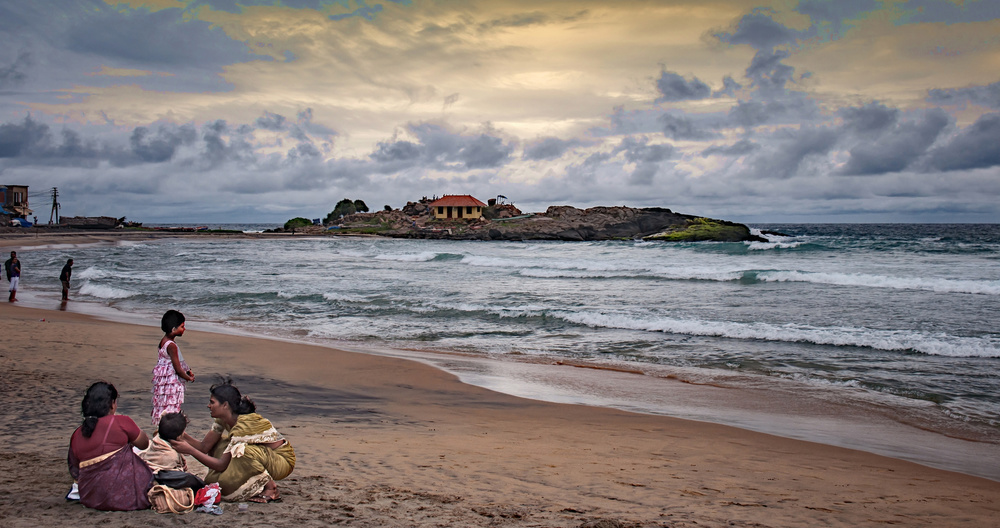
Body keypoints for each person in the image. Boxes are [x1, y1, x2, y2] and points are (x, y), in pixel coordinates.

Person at [171, 380, 295, 503]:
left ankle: (271, 488)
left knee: (243, 450)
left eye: (212, 402)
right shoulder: (223, 419)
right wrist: (181, 434)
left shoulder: (244, 425)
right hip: (263, 457)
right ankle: (256, 483)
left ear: (225, 405)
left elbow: (221, 464)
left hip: (282, 461)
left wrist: (190, 450)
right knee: (218, 451)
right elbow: (205, 447)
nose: (209, 406)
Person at [67, 381, 154, 511]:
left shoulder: (77, 433)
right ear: (112, 404)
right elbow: (144, 444)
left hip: (90, 498)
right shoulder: (121, 422)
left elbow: (75, 471)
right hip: (123, 495)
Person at [151, 310, 195, 426]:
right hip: (171, 383)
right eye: (182, 326)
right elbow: (178, 369)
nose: (184, 329)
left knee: (164, 406)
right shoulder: (171, 346)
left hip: (163, 383)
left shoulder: (163, 341)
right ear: (173, 329)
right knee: (172, 406)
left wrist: (187, 371)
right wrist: (188, 378)